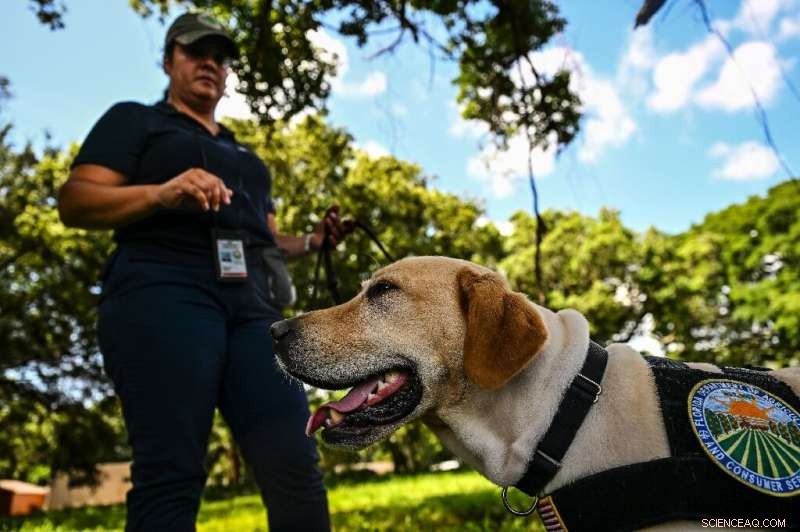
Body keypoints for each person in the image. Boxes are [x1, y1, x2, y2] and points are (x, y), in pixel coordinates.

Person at [58, 12, 349, 532]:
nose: (210, 62)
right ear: (169, 60)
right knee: (171, 471)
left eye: (220, 55)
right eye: (195, 51)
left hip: (252, 308)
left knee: (295, 463)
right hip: (160, 291)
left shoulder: (247, 155)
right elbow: (76, 201)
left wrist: (314, 241)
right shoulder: (136, 121)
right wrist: (162, 192)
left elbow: (268, 238)